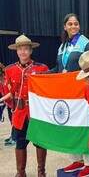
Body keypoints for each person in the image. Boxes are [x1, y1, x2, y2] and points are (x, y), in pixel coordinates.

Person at [50, 13, 89, 177]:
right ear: (65, 27)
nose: (73, 26)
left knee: (84, 125)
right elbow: (57, 69)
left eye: (76, 24)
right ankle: (77, 160)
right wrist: (42, 75)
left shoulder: (86, 43)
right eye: (70, 24)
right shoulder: (62, 47)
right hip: (67, 94)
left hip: (82, 92)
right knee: (69, 124)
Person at [0, 34, 49, 177]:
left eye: (26, 49)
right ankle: (20, 172)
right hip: (19, 113)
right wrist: (3, 100)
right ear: (16, 51)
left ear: (31, 50)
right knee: (20, 143)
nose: (23, 52)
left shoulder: (41, 68)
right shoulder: (10, 70)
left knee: (40, 143)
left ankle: (42, 172)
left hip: (36, 113)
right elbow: (10, 93)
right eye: (20, 49)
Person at [0, 62, 16, 146]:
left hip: (15, 104)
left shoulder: (7, 80)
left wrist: (1, 99)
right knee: (11, 121)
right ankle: (13, 136)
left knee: (15, 122)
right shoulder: (0, 82)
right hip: (9, 105)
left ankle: (15, 139)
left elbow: (11, 93)